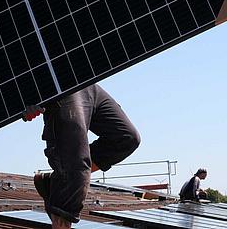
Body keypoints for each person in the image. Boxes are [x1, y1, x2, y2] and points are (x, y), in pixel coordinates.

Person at [23, 84, 141, 229]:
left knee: (127, 138)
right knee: (75, 167)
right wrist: (22, 101)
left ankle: (57, 180)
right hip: (60, 89)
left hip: (87, 83)